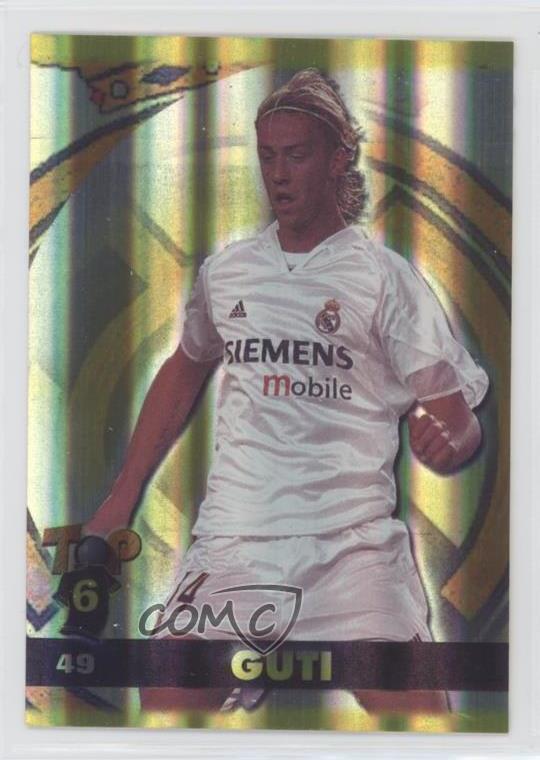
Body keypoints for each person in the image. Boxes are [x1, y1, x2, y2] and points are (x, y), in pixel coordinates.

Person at [84, 68, 488, 715]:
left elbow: (456, 414)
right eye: (268, 156)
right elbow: (186, 366)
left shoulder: (384, 279)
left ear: (338, 158)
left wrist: (454, 439)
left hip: (352, 546)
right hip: (235, 541)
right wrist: (119, 499)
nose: (278, 174)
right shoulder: (228, 272)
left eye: (296, 155)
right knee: (164, 694)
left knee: (418, 714)